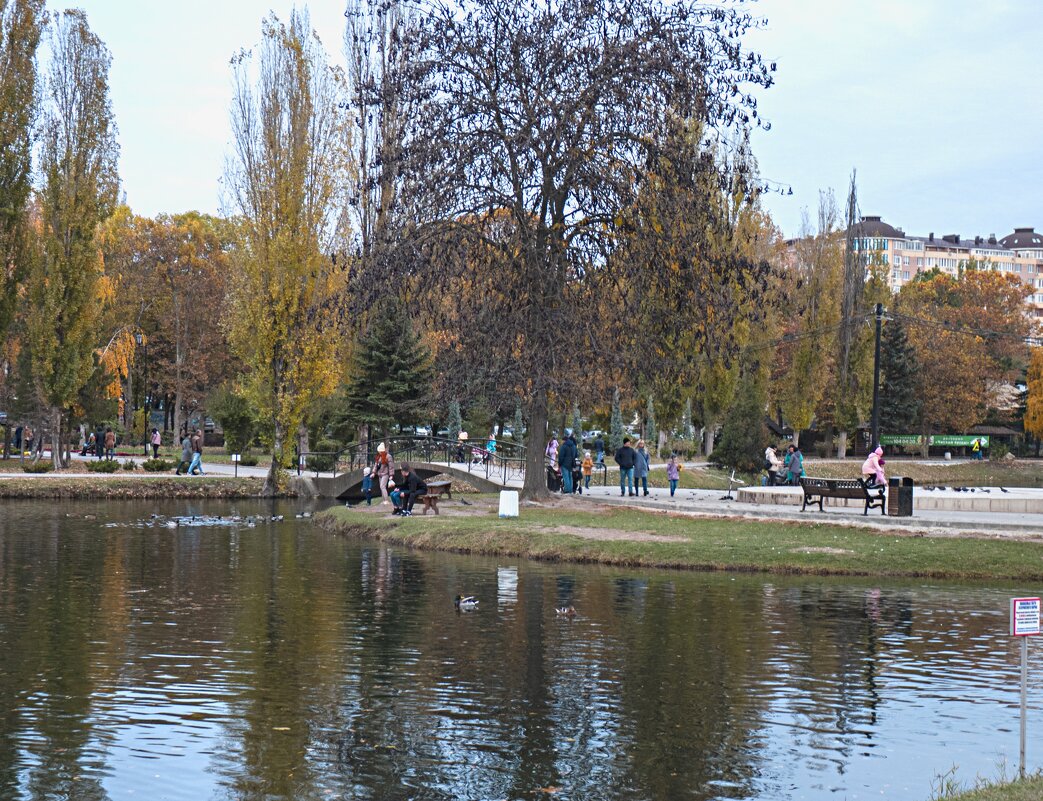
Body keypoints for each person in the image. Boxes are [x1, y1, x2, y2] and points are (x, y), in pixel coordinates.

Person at [558, 429, 578, 494]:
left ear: (564, 440)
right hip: (571, 463)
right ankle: (570, 489)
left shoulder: (564, 446)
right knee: (570, 477)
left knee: (565, 477)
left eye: (562, 441)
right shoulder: (573, 446)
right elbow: (575, 455)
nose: (561, 442)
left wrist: (559, 463)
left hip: (564, 464)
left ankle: (567, 490)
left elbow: (561, 456)